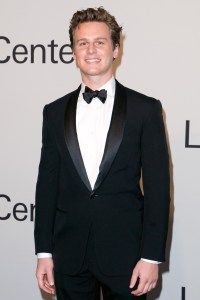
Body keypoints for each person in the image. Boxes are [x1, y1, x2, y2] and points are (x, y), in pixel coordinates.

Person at [34, 6, 170, 300]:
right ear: (73, 51)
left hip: (128, 256)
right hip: (69, 254)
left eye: (100, 42)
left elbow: (159, 190)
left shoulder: (145, 109)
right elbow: (47, 185)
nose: (91, 50)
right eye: (82, 43)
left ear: (116, 49)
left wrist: (151, 257)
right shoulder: (54, 113)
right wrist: (44, 251)